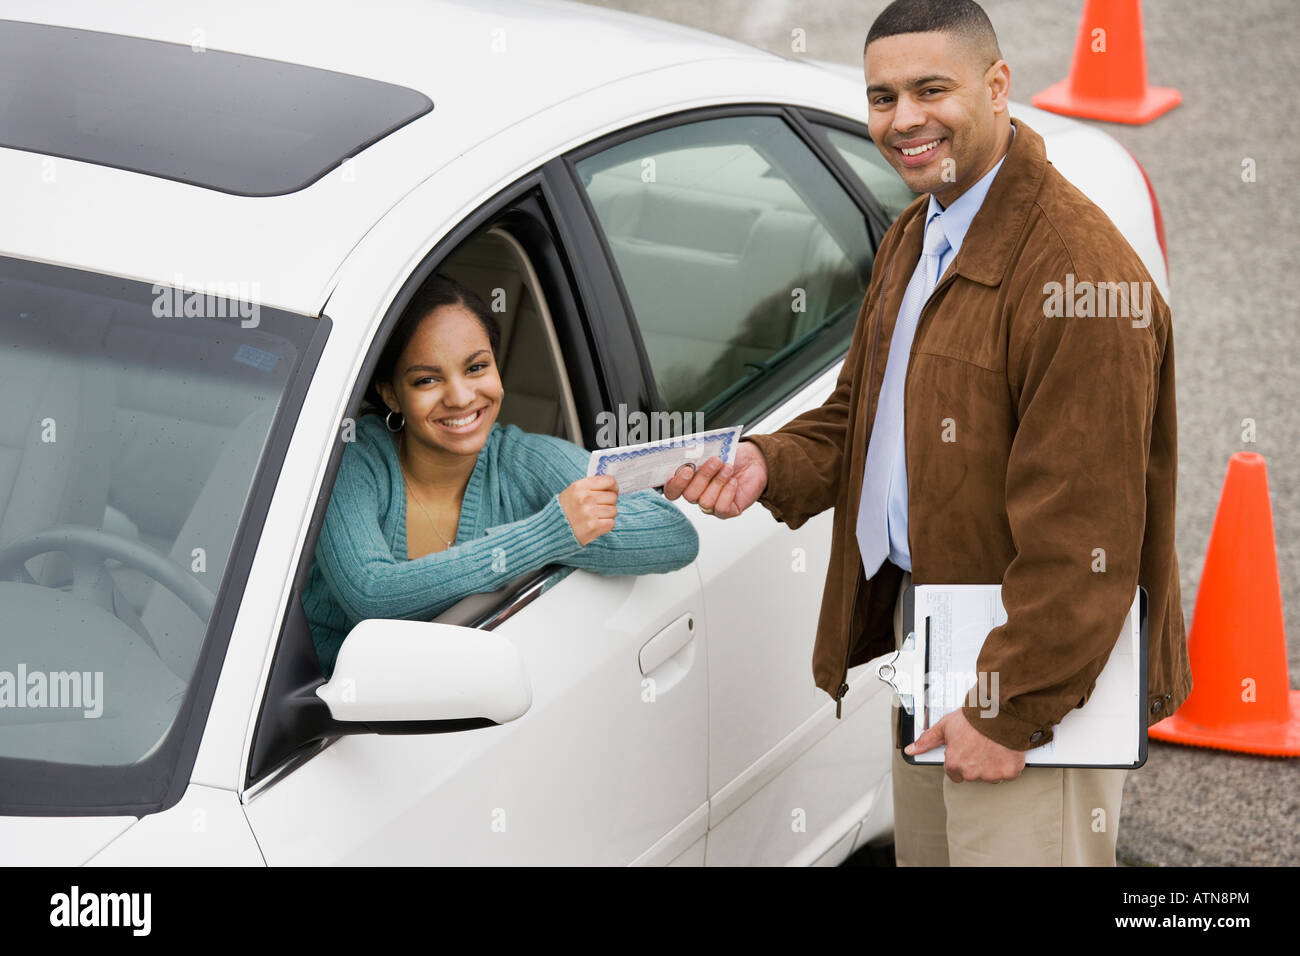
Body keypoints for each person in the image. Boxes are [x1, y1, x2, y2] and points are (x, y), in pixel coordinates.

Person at [665, 0, 1191, 866]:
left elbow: (1088, 541)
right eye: (882, 98)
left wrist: (1008, 708)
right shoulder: (920, 230)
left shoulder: (1079, 278)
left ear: (996, 86)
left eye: (931, 90)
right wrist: (769, 461)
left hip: (1027, 674)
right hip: (935, 634)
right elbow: (865, 415)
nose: (904, 120)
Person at [303, 274, 698, 678]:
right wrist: (548, 535)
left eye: (476, 367)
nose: (460, 397)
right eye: (427, 379)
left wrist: (559, 537)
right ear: (390, 395)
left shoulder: (523, 460)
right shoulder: (352, 460)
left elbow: (673, 535)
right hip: (320, 724)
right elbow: (373, 596)